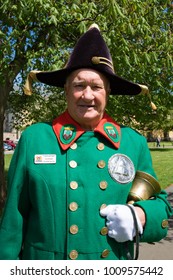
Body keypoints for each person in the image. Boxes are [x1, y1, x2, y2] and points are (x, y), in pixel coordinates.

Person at [0, 24, 172, 260]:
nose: (88, 95)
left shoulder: (132, 142)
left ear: (108, 91)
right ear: (66, 90)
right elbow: (13, 220)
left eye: (96, 86)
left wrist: (140, 216)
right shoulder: (35, 139)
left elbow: (160, 205)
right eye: (79, 85)